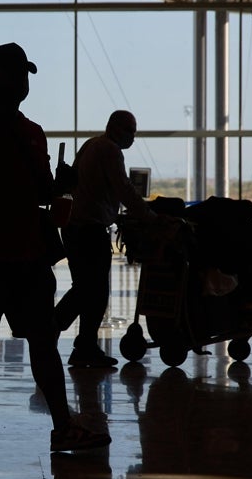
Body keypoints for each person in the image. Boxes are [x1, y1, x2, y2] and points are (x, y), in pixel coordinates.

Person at [0, 42, 111, 454]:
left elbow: (38, 193)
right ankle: (4, 422)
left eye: (25, 74)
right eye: (16, 73)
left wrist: (62, 185)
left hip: (14, 254)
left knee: (22, 338)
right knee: (2, 338)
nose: (22, 81)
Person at [55, 110, 176, 367]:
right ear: (114, 127)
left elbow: (88, 187)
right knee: (95, 291)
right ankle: (58, 331)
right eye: (129, 130)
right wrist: (151, 218)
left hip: (75, 228)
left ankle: (76, 341)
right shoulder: (110, 151)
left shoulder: (91, 144)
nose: (132, 137)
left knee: (86, 289)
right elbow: (124, 190)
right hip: (89, 231)